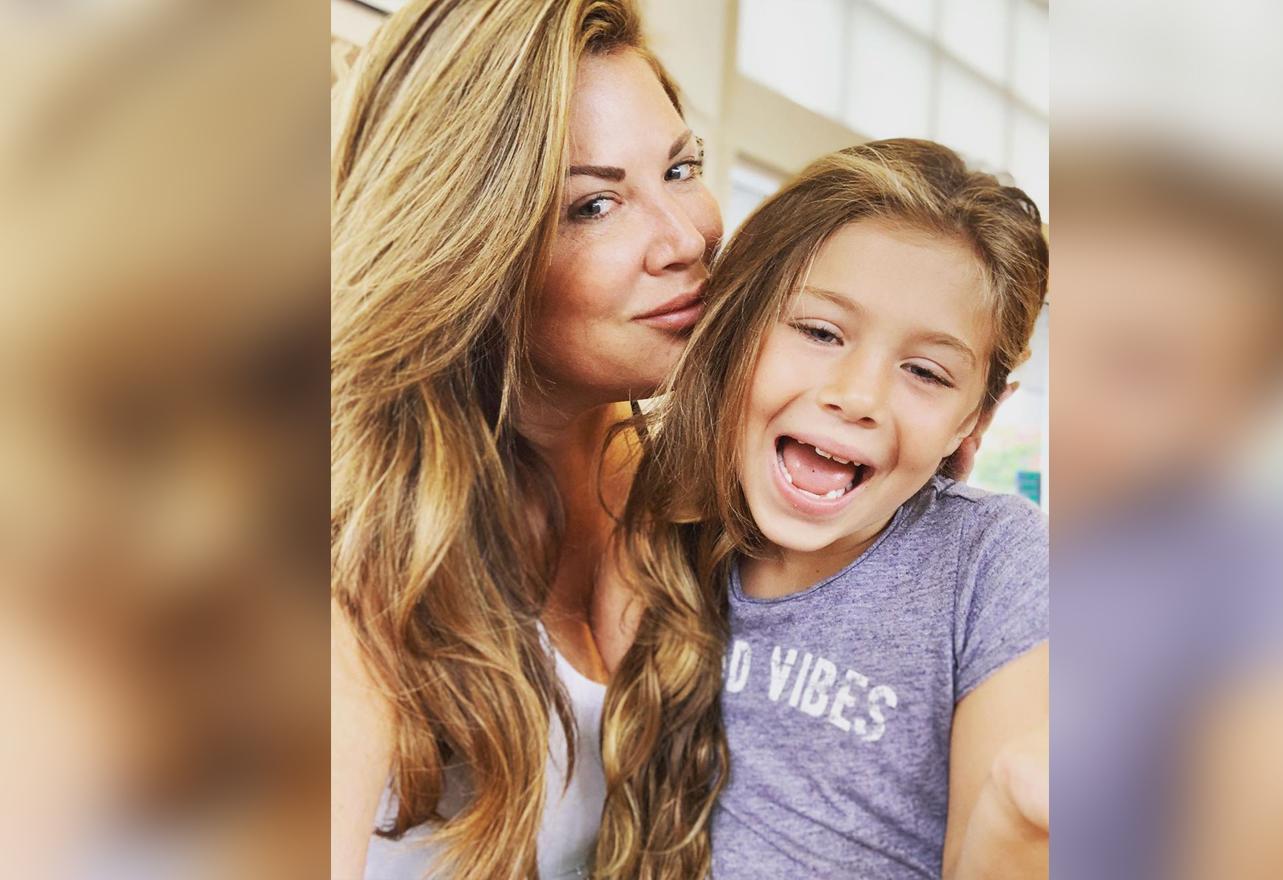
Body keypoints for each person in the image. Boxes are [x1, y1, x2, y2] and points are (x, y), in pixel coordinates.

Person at [329, 1, 722, 878]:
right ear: (465, 245)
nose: (686, 237)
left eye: (683, 167)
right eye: (593, 205)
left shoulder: (696, 503)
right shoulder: (349, 567)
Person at [604, 139, 1050, 879]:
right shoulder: (660, 517)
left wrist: (1019, 814)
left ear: (975, 420)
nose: (859, 396)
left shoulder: (990, 560)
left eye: (927, 373)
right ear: (737, 328)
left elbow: (1018, 815)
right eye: (818, 332)